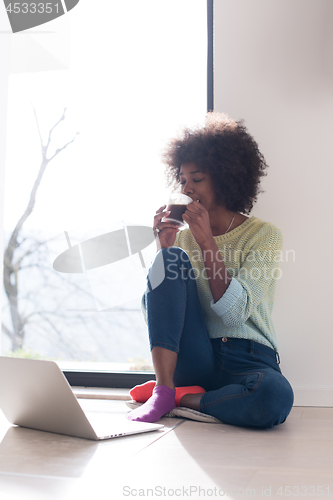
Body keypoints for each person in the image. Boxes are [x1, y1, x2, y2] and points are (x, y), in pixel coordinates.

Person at [127, 112, 294, 429]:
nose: (187, 188)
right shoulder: (182, 240)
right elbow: (157, 318)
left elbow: (234, 314)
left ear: (225, 177)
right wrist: (164, 249)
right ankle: (164, 388)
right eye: (182, 179)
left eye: (197, 179)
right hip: (196, 355)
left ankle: (179, 398)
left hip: (249, 359)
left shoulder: (264, 235)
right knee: (171, 260)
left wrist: (205, 240)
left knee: (274, 397)